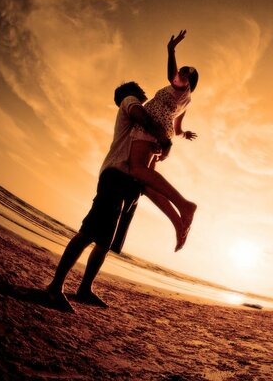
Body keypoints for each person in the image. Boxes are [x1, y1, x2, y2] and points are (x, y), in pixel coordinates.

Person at [46, 81, 170, 313]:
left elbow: (146, 153)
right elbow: (142, 116)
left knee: (105, 242)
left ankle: (84, 289)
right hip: (116, 175)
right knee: (88, 233)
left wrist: (155, 150)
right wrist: (164, 138)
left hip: (131, 183)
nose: (144, 92)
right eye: (139, 89)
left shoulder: (139, 129)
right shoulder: (129, 101)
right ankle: (55, 287)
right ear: (130, 93)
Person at [126, 29, 198, 252]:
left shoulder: (180, 88)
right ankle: (178, 224)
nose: (181, 73)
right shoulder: (184, 100)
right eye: (182, 70)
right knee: (147, 185)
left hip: (153, 126)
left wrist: (171, 49)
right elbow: (176, 128)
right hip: (162, 130)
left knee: (137, 169)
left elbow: (170, 75)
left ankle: (185, 206)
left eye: (186, 72)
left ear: (189, 80)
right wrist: (184, 134)